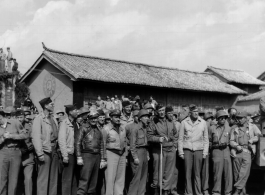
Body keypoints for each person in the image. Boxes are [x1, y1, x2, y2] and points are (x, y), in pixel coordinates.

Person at [147, 105, 178, 195]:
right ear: (156, 111)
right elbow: (149, 136)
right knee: (157, 173)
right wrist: (158, 139)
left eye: (163, 110)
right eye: (159, 110)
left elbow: (175, 134)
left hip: (170, 149)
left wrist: (175, 146)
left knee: (168, 173)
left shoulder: (170, 121)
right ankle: (157, 191)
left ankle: (165, 191)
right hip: (159, 150)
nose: (161, 112)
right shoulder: (153, 122)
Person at [178, 104, 209, 195]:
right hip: (187, 150)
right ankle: (188, 192)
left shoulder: (203, 122)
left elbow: (206, 139)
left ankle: (198, 192)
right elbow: (180, 139)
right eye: (194, 111)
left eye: (197, 111)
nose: (196, 113)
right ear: (190, 113)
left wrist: (205, 152)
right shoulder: (184, 122)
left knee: (197, 174)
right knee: (187, 173)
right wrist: (181, 152)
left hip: (199, 150)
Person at [32, 97, 59, 195]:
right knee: (43, 179)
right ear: (45, 106)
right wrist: (40, 154)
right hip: (45, 151)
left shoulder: (53, 119)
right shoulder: (39, 119)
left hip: (54, 150)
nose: (53, 105)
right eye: (51, 104)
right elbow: (36, 137)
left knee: (53, 179)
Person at [75, 109, 106, 195]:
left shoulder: (98, 130)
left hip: (97, 156)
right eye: (92, 118)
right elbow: (77, 143)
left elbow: (102, 145)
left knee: (93, 181)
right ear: (88, 118)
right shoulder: (83, 128)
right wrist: (79, 157)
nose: (94, 120)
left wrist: (102, 159)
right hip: (86, 155)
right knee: (84, 179)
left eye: (95, 118)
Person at [230, 111, 261, 195]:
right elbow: (231, 141)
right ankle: (243, 192)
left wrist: (252, 140)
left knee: (244, 173)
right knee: (237, 173)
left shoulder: (252, 127)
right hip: (237, 152)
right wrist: (236, 146)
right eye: (238, 118)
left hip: (247, 152)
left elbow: (259, 136)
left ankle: (237, 191)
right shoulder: (235, 128)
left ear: (245, 118)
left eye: (241, 118)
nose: (239, 120)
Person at [0, 108, 28, 195]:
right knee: (1, 179)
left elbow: (25, 135)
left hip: (16, 152)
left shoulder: (15, 122)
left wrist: (11, 136)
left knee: (14, 179)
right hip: (3, 152)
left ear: (1, 116)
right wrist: (3, 138)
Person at [102, 109, 127, 195]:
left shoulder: (122, 128)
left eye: (119, 117)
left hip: (122, 154)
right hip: (111, 154)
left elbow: (125, 142)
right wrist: (103, 158)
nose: (118, 119)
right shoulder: (106, 128)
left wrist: (126, 155)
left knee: (120, 178)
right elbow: (103, 144)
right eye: (115, 117)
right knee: (110, 178)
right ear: (111, 117)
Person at [209, 110, 233, 195]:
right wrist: (214, 145)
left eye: (225, 118)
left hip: (226, 150)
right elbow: (209, 141)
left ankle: (228, 192)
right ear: (217, 119)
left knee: (228, 173)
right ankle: (216, 192)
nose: (223, 120)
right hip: (216, 151)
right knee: (217, 173)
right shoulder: (212, 128)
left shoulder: (229, 129)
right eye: (221, 118)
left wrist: (227, 144)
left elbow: (232, 140)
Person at [127, 109, 150, 195]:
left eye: (147, 117)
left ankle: (141, 193)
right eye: (145, 117)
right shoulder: (135, 129)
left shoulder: (145, 129)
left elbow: (146, 144)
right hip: (137, 152)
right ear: (140, 118)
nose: (147, 118)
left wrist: (147, 154)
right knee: (136, 176)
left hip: (144, 152)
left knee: (144, 176)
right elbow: (132, 145)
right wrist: (135, 157)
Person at [58, 105, 78, 195]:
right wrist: (65, 156)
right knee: (67, 178)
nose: (77, 112)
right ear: (70, 112)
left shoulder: (75, 123)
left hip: (75, 154)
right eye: (75, 110)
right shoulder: (64, 123)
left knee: (74, 178)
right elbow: (62, 140)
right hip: (68, 154)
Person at [17, 109, 35, 195]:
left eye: (21, 117)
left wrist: (29, 147)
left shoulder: (30, 127)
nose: (20, 119)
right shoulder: (13, 126)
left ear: (24, 117)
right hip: (16, 156)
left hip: (28, 156)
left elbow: (34, 140)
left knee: (28, 179)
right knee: (16, 179)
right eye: (18, 117)